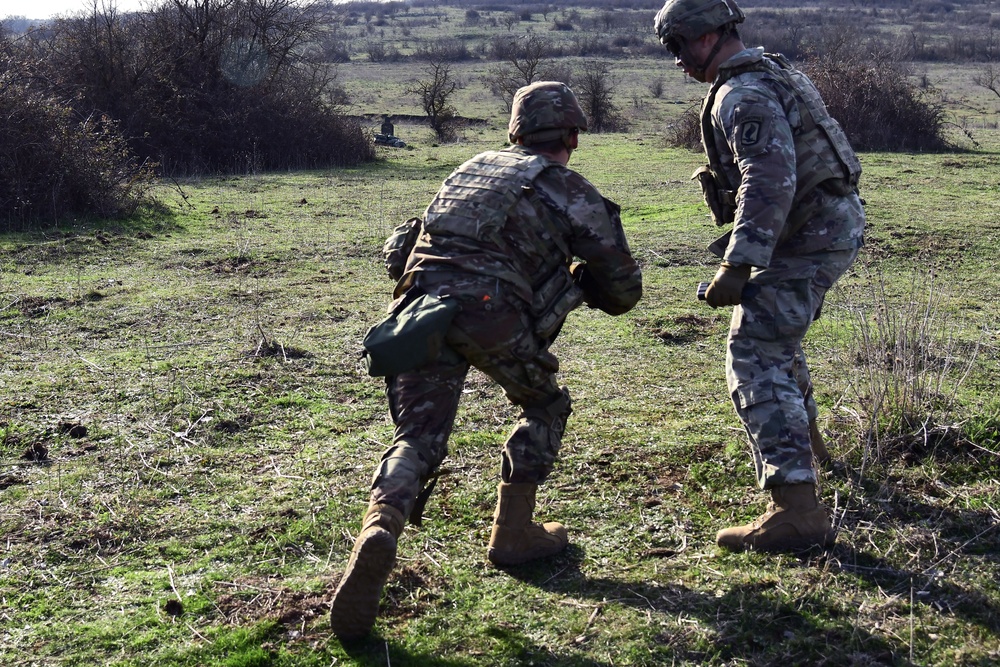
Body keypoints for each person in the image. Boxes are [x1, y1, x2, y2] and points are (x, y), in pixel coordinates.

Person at [329, 81, 643, 640]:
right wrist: (580, 280)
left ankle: (378, 528)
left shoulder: (469, 169)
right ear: (572, 134)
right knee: (545, 406)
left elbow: (407, 247)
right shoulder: (569, 188)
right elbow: (623, 292)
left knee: (418, 435)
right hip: (491, 311)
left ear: (515, 131)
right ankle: (513, 534)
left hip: (420, 307)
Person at [653, 0, 865, 552]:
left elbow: (768, 179)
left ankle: (796, 510)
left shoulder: (742, 93)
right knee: (778, 337)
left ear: (706, 36)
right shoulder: (770, 71)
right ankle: (812, 454)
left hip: (810, 235)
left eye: (677, 45)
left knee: (755, 349)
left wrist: (737, 263)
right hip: (821, 227)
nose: (674, 59)